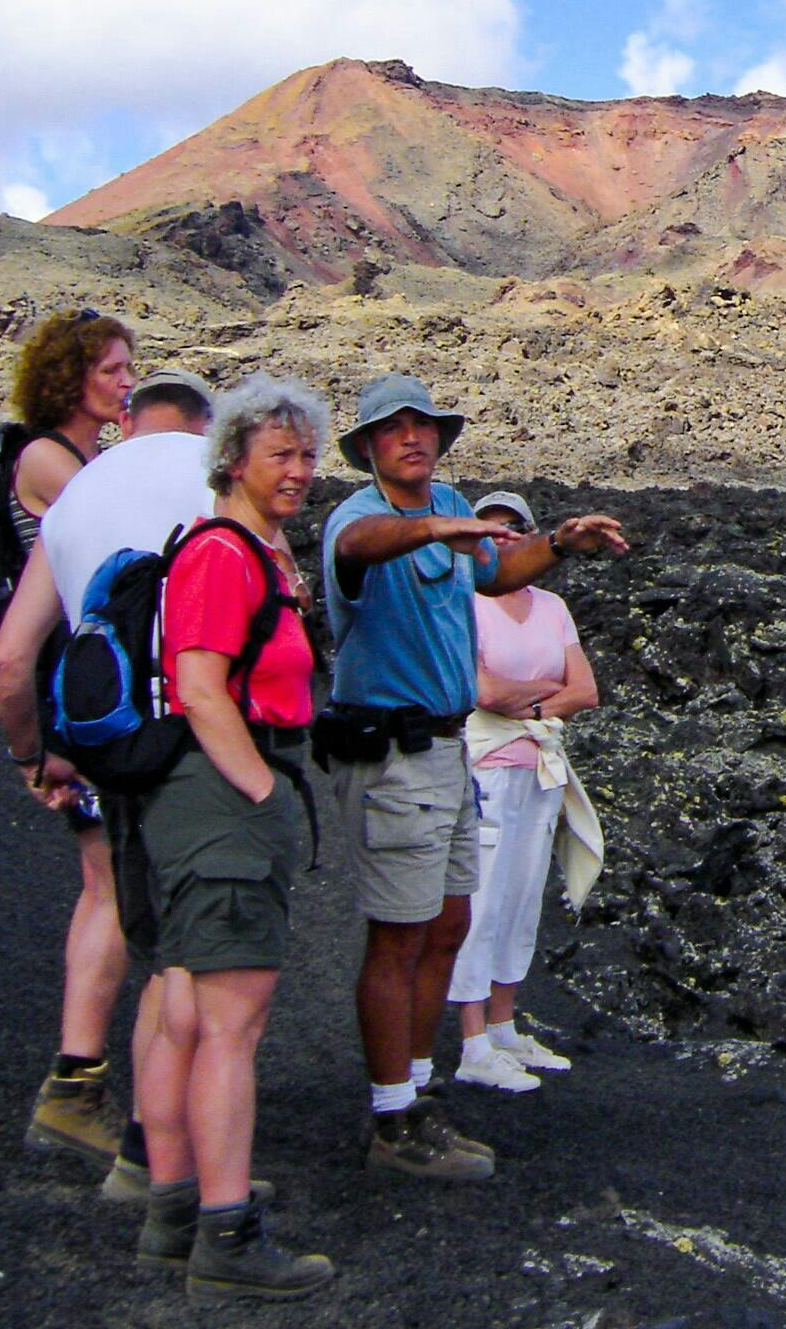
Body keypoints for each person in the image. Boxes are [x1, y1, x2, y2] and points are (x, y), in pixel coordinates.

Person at [318, 375, 626, 1179]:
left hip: (450, 749)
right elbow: (359, 551)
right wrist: (431, 530)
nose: (413, 437)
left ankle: (418, 1095)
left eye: (425, 425)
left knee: (448, 924)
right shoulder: (356, 519)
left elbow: (492, 572)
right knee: (399, 933)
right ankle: (392, 1118)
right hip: (392, 750)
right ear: (368, 447)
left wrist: (559, 544)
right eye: (394, 428)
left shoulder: (448, 501)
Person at [0, 368, 213, 1198]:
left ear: (128, 419)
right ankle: (158, 1157)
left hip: (97, 742)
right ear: (207, 422)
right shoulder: (214, 482)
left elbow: (11, 659)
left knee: (119, 906)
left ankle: (82, 1090)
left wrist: (30, 758)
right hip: (190, 746)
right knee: (185, 954)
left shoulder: (80, 495)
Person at [135, 374, 335, 1299]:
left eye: (306, 455)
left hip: (204, 799)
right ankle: (227, 1236)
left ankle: (175, 1211)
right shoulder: (223, 554)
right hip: (221, 796)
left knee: (186, 1010)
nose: (299, 472)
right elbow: (199, 683)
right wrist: (258, 789)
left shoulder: (257, 547)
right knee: (229, 1025)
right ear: (234, 461)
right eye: (280, 456)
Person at [0, 309, 140, 1163]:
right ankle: (74, 1084)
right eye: (113, 370)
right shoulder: (53, 462)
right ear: (71, 378)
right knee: (109, 886)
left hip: (74, 695)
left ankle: (84, 1079)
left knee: (111, 881)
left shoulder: (79, 460)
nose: (126, 383)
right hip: (70, 704)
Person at [448, 492, 606, 1092]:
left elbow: (585, 689)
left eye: (513, 528)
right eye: (488, 530)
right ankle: (471, 1041)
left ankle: (505, 1022)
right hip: (486, 764)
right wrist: (543, 694)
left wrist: (528, 699)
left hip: (540, 765)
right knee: (481, 898)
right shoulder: (462, 603)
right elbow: (482, 691)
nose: (501, 538)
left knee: (521, 897)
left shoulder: (552, 606)